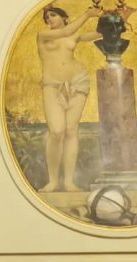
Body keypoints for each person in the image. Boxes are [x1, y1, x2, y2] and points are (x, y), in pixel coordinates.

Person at [37, 5, 102, 192]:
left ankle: (68, 182)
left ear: (64, 17)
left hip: (77, 81)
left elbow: (98, 34)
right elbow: (66, 31)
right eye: (47, 17)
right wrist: (87, 14)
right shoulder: (43, 35)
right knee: (56, 132)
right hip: (52, 86)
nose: (49, 19)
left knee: (71, 130)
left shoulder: (74, 34)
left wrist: (115, 18)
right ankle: (53, 181)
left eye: (53, 15)